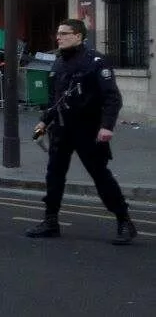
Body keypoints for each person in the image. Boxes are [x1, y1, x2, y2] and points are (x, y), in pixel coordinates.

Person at [27, 18, 136, 245]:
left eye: (64, 33)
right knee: (54, 176)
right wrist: (44, 121)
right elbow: (54, 99)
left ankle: (124, 221)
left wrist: (107, 126)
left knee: (100, 177)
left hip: (89, 130)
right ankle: (50, 221)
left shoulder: (95, 61)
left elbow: (112, 97)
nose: (59, 37)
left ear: (78, 36)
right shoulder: (57, 64)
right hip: (62, 129)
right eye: (58, 33)